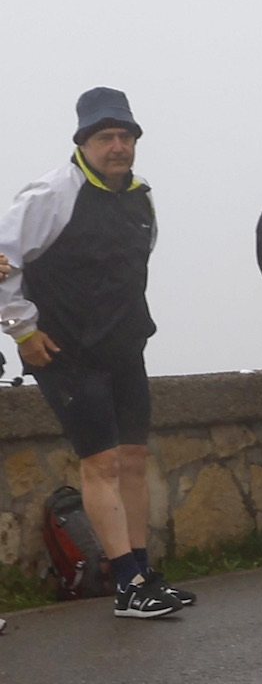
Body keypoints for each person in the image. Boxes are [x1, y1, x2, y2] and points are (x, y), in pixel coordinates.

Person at [0, 88, 192, 617]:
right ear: (83, 141)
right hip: (66, 351)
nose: (118, 146)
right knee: (101, 460)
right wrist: (22, 330)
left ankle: (143, 571)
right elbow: (3, 259)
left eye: (125, 136)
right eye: (106, 137)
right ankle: (126, 583)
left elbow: (135, 264)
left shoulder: (140, 196)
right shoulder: (50, 194)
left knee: (132, 459)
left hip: (124, 345)